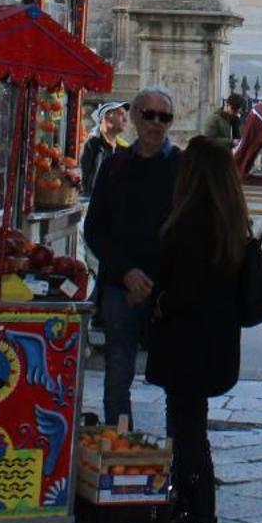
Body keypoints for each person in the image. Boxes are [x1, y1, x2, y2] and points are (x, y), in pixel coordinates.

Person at [147, 138, 255, 523]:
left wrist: (160, 302)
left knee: (187, 432)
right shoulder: (230, 219)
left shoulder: (193, 222)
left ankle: (200, 520)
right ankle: (193, 514)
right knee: (192, 430)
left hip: (188, 344)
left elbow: (186, 288)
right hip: (215, 344)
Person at [83, 87, 180, 425]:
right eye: (149, 115)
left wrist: (156, 280)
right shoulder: (115, 166)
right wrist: (126, 272)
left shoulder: (181, 168)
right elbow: (95, 229)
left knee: (176, 380)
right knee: (117, 376)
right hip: (120, 287)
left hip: (165, 292)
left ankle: (174, 456)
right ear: (135, 117)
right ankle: (117, 453)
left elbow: (187, 233)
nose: (156, 123)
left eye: (164, 117)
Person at [80, 102, 128, 193]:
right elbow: (83, 180)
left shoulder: (124, 148)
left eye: (125, 115)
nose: (125, 119)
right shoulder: (92, 144)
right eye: (120, 114)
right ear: (105, 117)